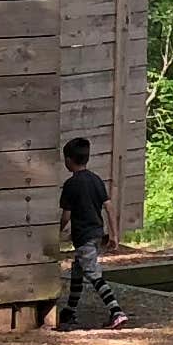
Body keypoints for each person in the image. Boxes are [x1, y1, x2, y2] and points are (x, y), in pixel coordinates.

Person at [55, 136, 115, 330]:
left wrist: (57, 232)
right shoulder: (96, 180)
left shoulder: (71, 185)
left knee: (92, 273)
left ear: (68, 160)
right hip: (97, 232)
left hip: (83, 236)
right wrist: (114, 234)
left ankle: (116, 311)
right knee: (77, 271)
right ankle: (70, 311)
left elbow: (66, 215)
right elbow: (109, 207)